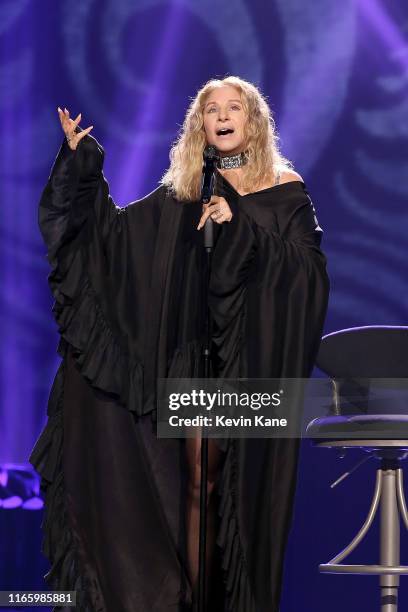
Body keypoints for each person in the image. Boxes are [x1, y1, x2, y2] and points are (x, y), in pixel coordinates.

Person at [30, 76, 329, 612]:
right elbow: (114, 243)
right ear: (200, 126)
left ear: (252, 120)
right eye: (211, 109)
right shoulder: (183, 192)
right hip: (193, 359)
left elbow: (308, 274)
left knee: (224, 489)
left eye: (233, 107)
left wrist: (242, 230)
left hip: (249, 364)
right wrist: (82, 164)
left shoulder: (285, 187)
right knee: (195, 481)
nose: (221, 115)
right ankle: (189, 600)